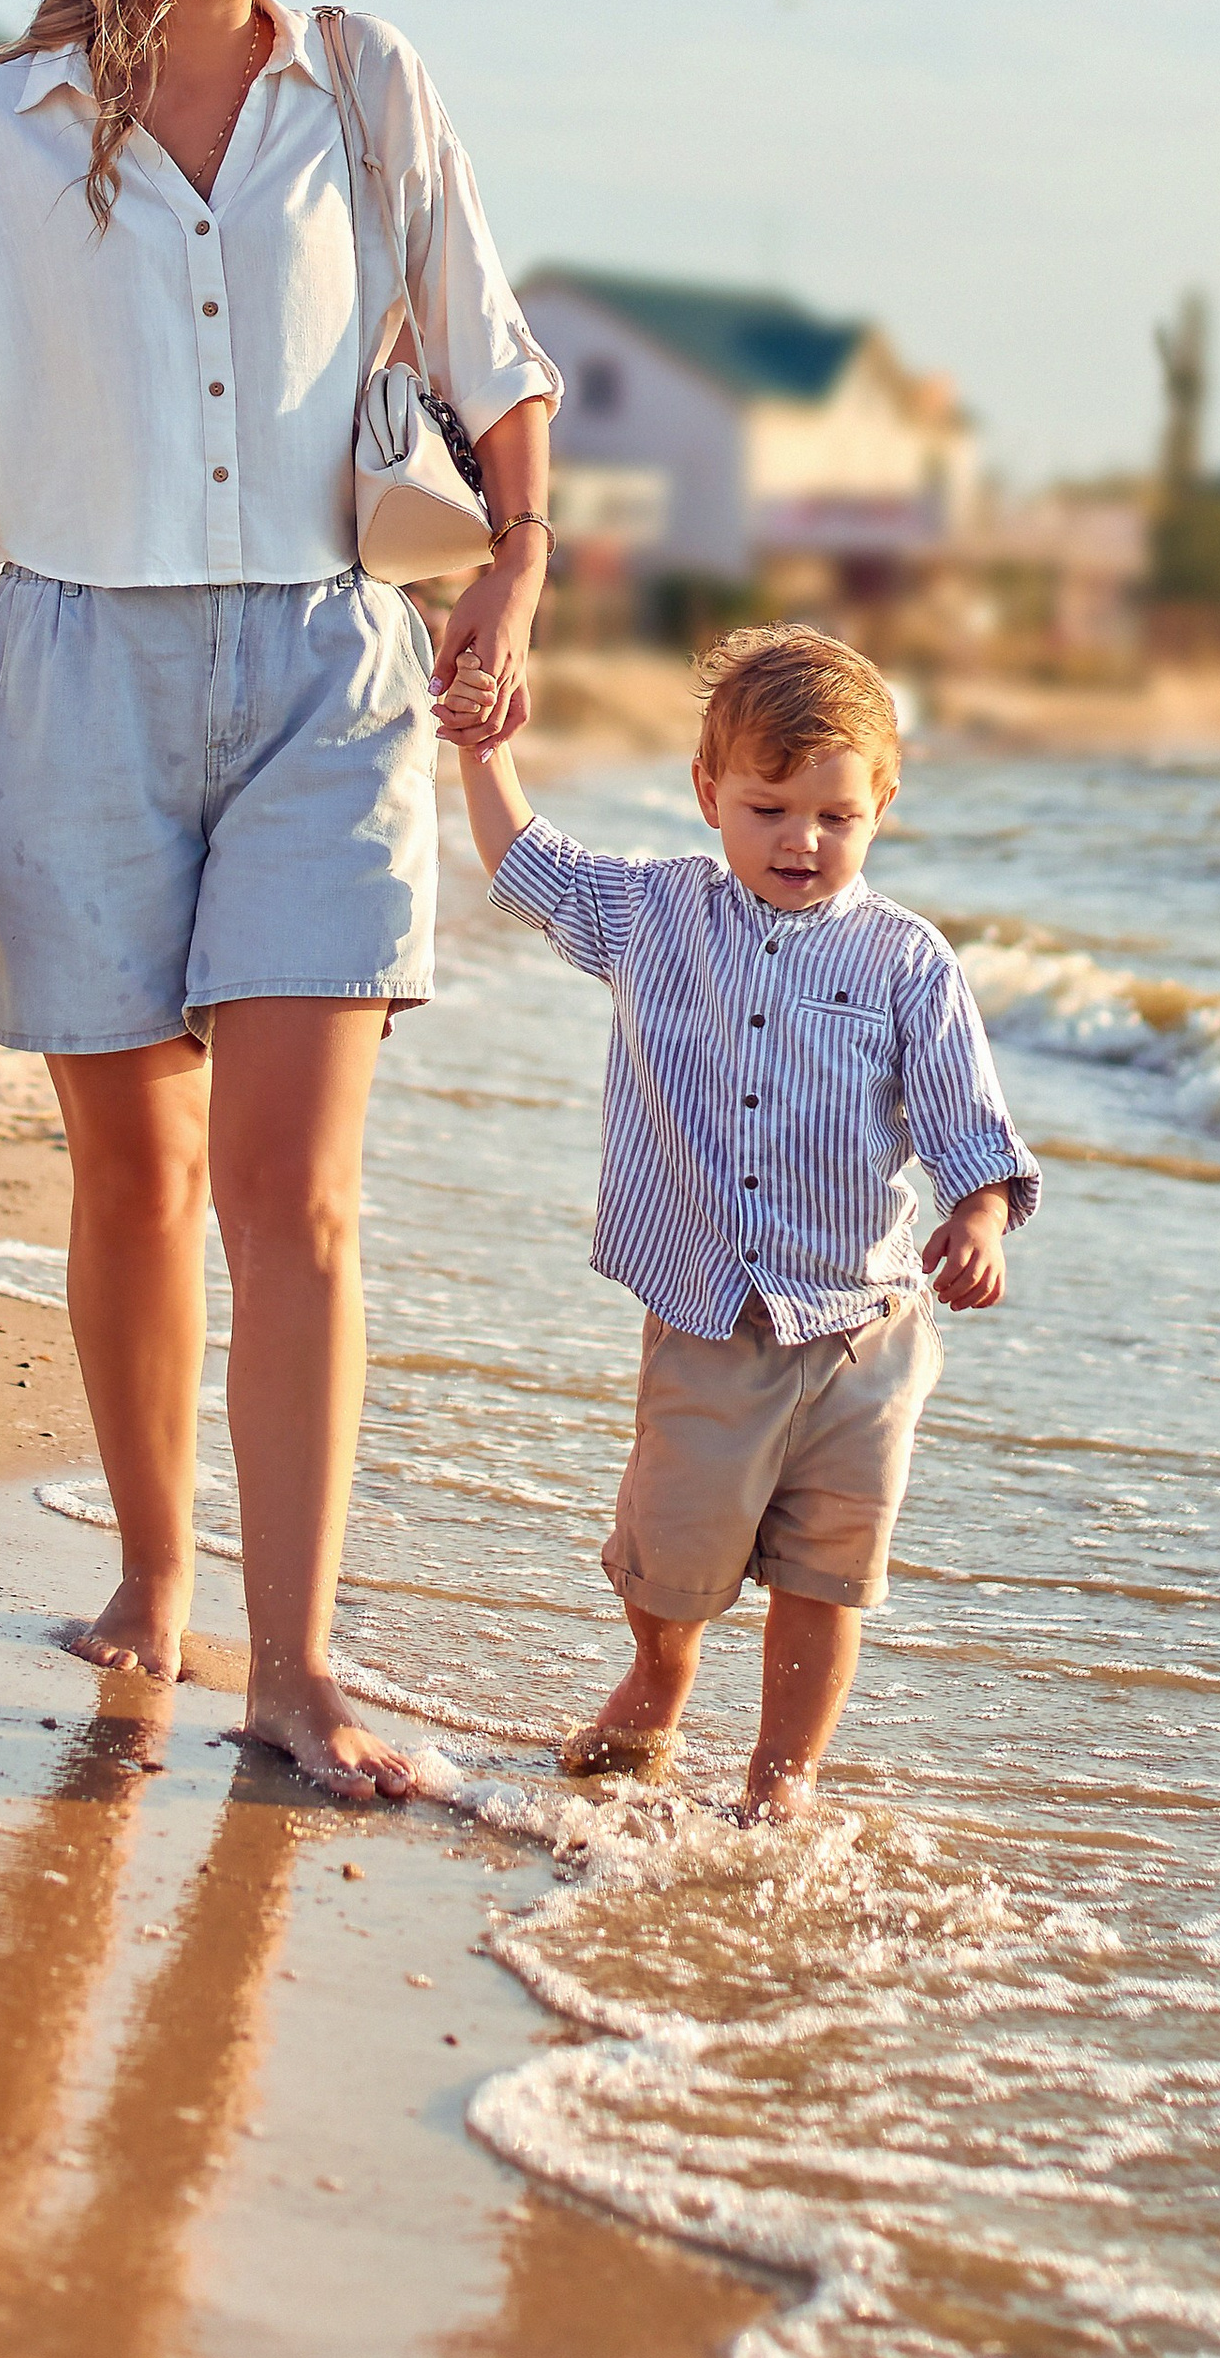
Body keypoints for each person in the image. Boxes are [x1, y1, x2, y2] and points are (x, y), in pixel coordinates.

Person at [0, 0, 559, 1801]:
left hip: (325, 671)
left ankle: (292, 1672)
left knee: (293, 1197)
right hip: (71, 673)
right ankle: (149, 1578)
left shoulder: (368, 86)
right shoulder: (1, 126)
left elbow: (494, 357)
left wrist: (515, 562)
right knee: (132, 1166)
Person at [439, 621, 1037, 1818]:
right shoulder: (653, 917)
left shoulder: (907, 962)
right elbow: (526, 866)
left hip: (865, 1329)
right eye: (767, 810)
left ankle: (782, 1778)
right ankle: (660, 1679)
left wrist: (976, 1216)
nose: (801, 842)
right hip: (711, 1315)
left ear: (882, 807)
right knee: (673, 1560)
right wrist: (483, 753)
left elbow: (966, 1116)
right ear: (709, 793)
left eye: (834, 816)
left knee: (827, 1572)